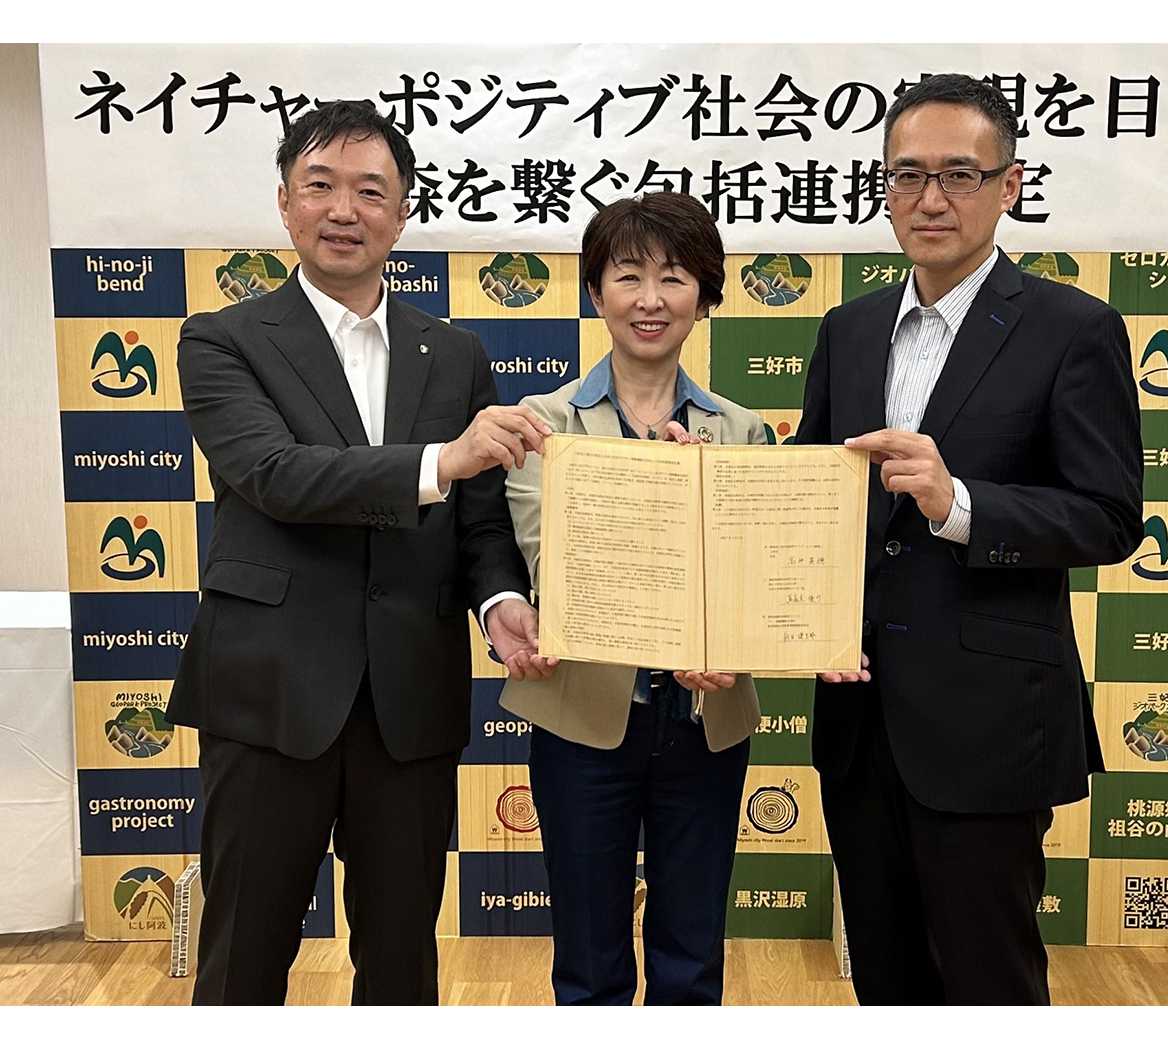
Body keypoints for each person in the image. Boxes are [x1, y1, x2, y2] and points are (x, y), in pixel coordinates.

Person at [168, 100, 553, 1005]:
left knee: (402, 963)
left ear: (403, 211)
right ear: (285, 203)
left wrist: (501, 603)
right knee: (242, 958)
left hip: (408, 700)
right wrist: (439, 461)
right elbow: (274, 475)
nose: (344, 210)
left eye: (371, 191)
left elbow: (481, 523)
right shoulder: (222, 338)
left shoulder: (453, 353)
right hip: (270, 695)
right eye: (320, 186)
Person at [796, 74, 1144, 1005]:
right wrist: (707, 488)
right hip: (860, 715)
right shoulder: (849, 330)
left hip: (990, 723)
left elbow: (1110, 516)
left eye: (960, 174)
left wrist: (960, 506)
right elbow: (815, 498)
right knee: (886, 980)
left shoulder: (1074, 328)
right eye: (907, 175)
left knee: (991, 984)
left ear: (1009, 184)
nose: (931, 199)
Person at [500, 192, 766, 1005]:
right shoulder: (541, 425)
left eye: (675, 278)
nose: (651, 300)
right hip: (581, 715)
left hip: (705, 719)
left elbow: (756, 580)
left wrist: (731, 640)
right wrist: (665, 498)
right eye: (628, 276)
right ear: (596, 293)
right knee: (589, 959)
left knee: (693, 954)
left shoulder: (743, 432)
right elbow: (548, 556)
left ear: (706, 297)